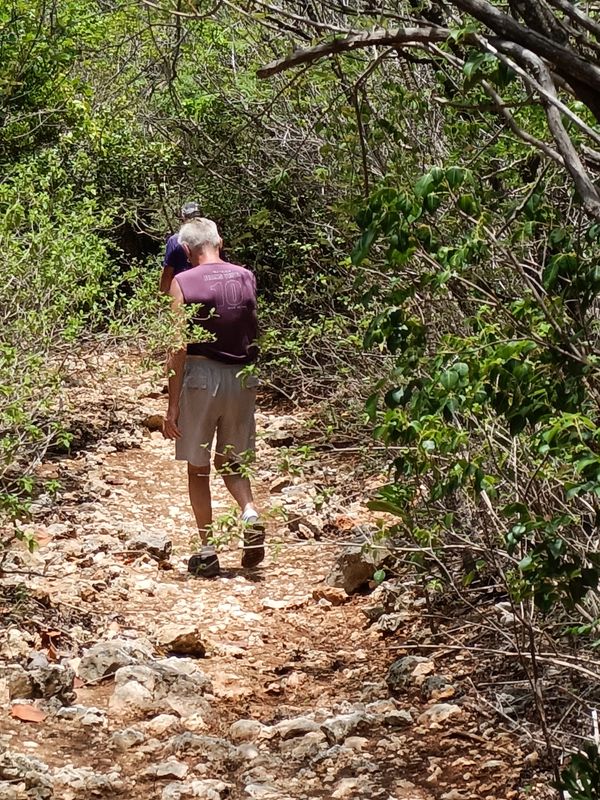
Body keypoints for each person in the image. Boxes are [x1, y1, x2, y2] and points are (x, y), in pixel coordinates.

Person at [162, 218, 264, 577]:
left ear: (186, 250)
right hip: (243, 378)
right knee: (233, 461)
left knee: (198, 468)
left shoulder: (182, 282)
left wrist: (172, 407)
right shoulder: (246, 277)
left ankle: (207, 552)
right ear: (219, 242)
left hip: (201, 376)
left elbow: (178, 346)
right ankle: (249, 512)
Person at [159, 202, 202, 294]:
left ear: (183, 218)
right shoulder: (209, 238)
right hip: (204, 289)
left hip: (182, 291)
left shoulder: (175, 240)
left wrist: (162, 295)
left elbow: (167, 273)